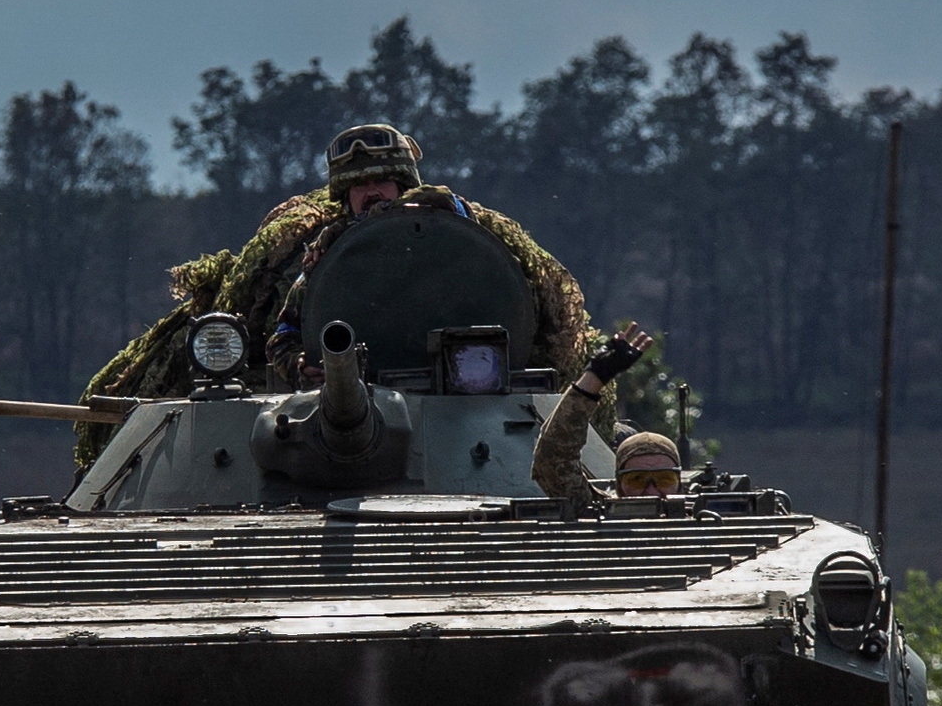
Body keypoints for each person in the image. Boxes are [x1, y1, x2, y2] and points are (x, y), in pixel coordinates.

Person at [74, 124, 597, 466]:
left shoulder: (463, 245)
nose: (373, 194)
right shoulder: (325, 272)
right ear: (344, 197)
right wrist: (305, 368)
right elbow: (283, 336)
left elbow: (525, 313)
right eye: (359, 187)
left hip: (468, 421)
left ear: (402, 185)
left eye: (384, 183)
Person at [530, 323, 673, 507]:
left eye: (665, 480)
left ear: (679, 484)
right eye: (636, 479)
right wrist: (596, 375)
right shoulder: (597, 511)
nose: (652, 492)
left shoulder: (698, 514)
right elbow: (553, 458)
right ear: (619, 483)